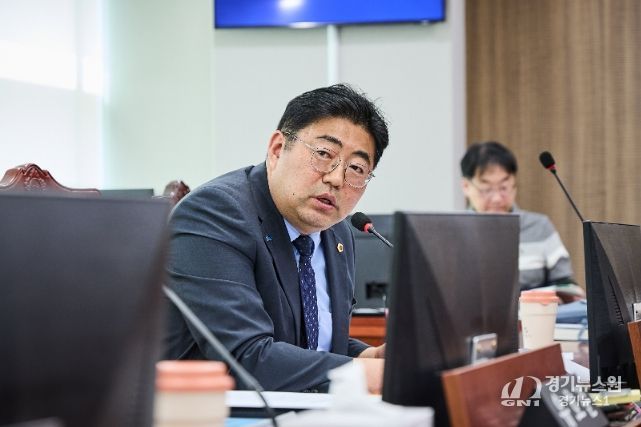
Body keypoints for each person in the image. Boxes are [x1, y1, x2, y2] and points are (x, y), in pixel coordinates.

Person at [163, 84, 388, 394]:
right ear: (278, 149)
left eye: (357, 168)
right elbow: (247, 358)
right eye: (324, 154)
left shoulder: (337, 233)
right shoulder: (214, 213)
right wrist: (372, 375)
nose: (336, 178)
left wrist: (368, 357)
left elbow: (308, 344)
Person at [460, 141, 577, 290]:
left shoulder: (539, 227)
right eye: (486, 189)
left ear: (514, 184)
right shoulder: (455, 232)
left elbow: (566, 285)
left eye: (504, 187)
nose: (497, 198)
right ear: (466, 187)